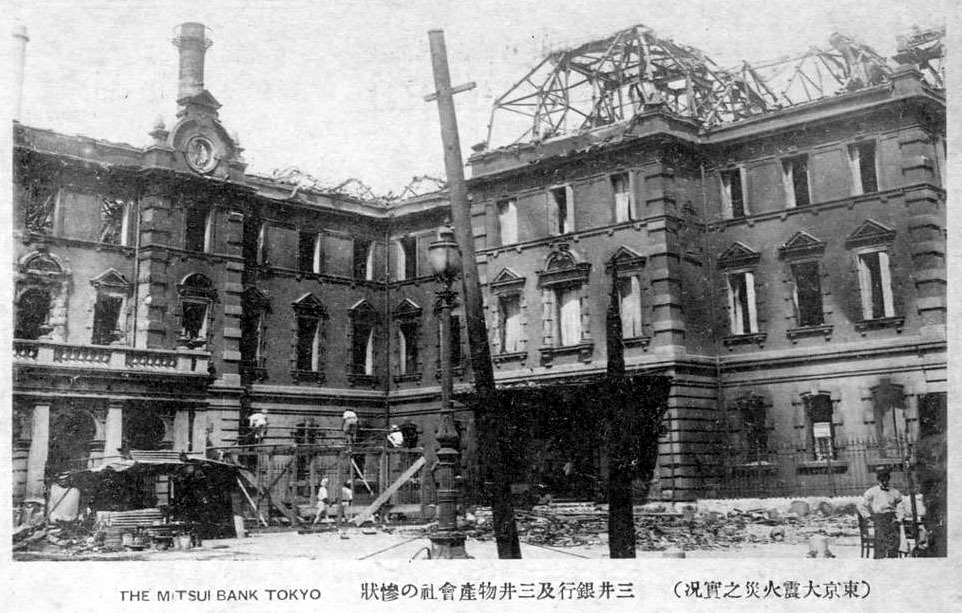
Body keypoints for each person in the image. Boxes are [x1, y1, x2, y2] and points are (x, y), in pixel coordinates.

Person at [857, 466, 902, 558]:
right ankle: (879, 560)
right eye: (882, 479)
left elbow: (901, 507)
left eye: (886, 478)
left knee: (895, 539)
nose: (884, 481)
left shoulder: (895, 492)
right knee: (880, 540)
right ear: (878, 480)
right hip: (879, 518)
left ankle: (893, 559)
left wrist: (899, 519)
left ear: (889, 479)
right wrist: (868, 516)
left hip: (892, 517)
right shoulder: (872, 491)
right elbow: (861, 505)